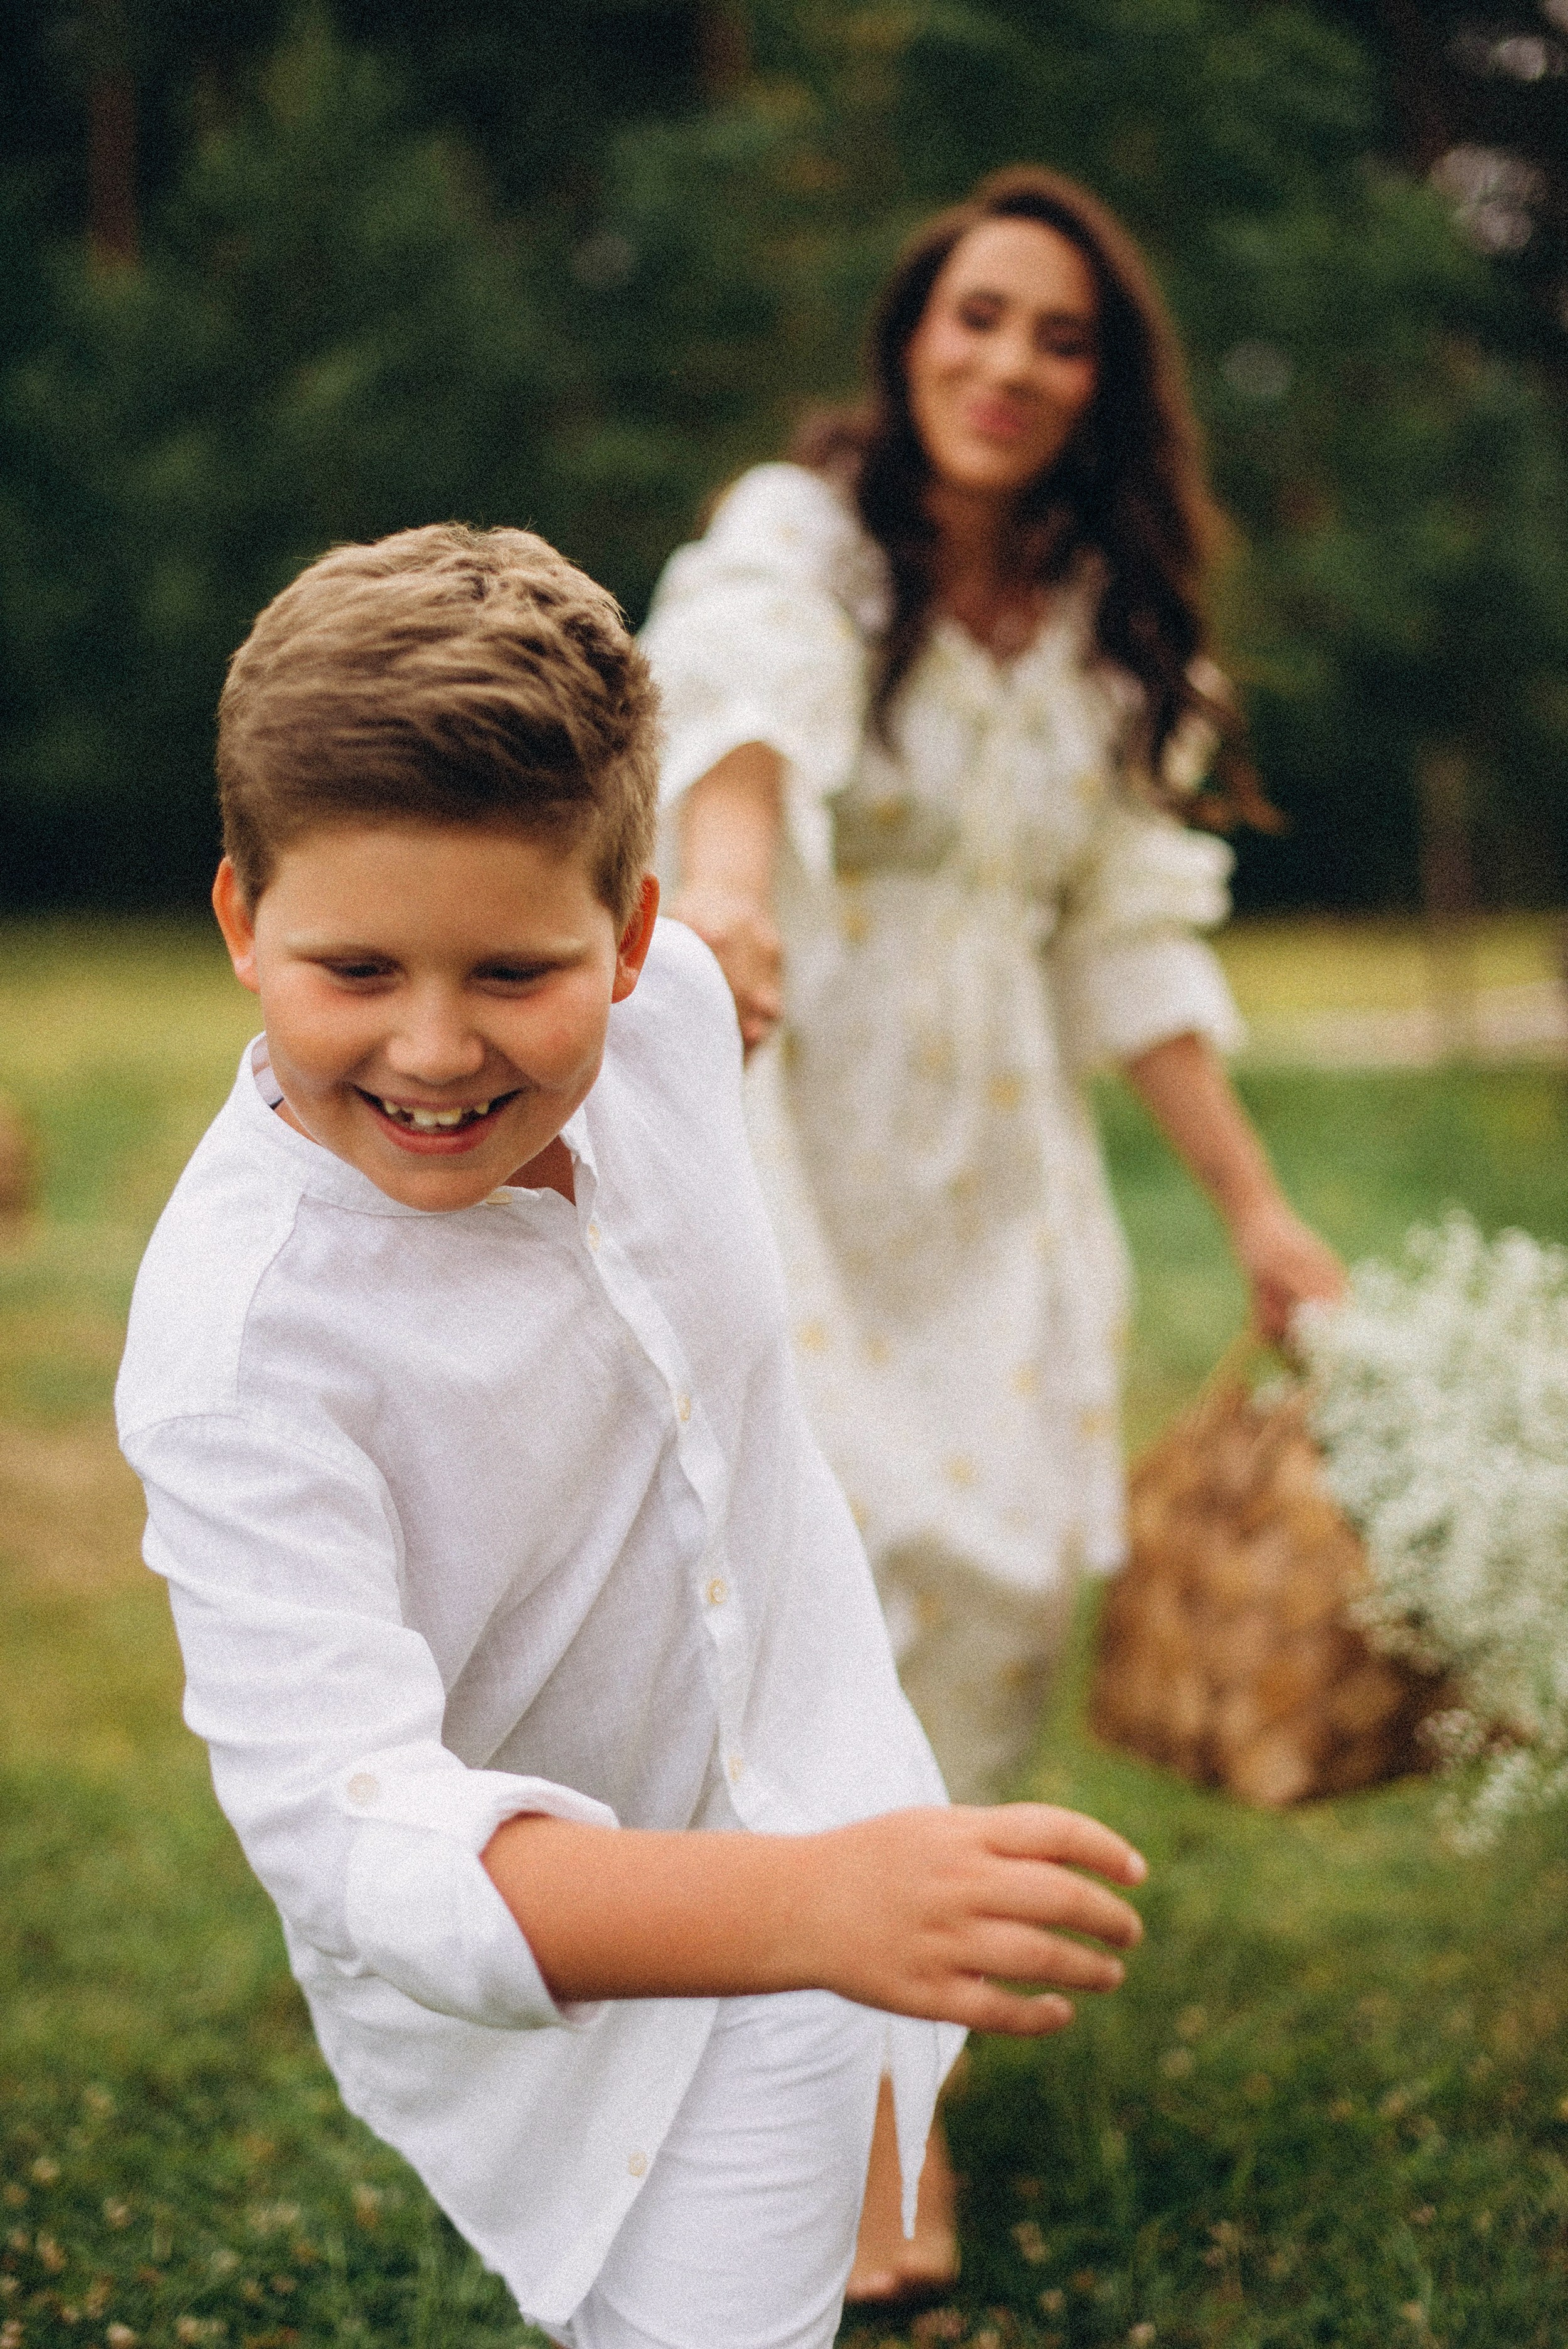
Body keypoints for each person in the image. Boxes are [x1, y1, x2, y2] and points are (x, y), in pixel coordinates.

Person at [114, 522, 1148, 2349]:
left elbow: (736, 838)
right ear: (237, 924)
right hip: (591, 1996)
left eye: (514, 974)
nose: (435, 1053)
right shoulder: (243, 1349)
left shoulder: (670, 1010)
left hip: (837, 1783)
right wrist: (812, 1902)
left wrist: (846, 1876)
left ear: (632, 933)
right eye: (353, 971)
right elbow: (363, 1850)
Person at [642, 163, 1345, 2298]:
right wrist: (734, 885)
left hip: (1000, 1191)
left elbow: (1130, 949)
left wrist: (1257, 1206)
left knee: (985, 1610)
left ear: (1105, 384)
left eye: (1058, 335)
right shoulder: (807, 537)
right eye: (974, 318)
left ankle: (880, 2072)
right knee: (805, 1595)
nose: (1007, 364)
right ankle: (832, 2138)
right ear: (907, 334)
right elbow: (734, 703)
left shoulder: (1123, 641)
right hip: (801, 1133)